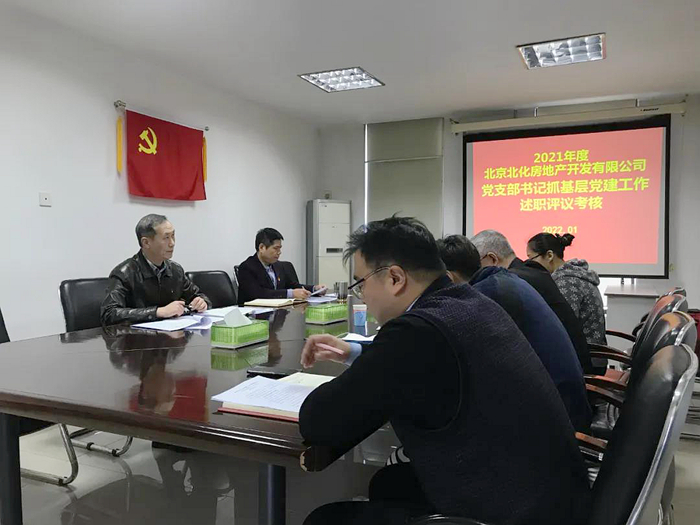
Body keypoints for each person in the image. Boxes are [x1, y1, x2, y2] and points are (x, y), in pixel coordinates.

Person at [299, 217, 590, 525]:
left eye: (361, 283)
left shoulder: (416, 331)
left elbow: (319, 422)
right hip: (554, 497)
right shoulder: (471, 301)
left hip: (509, 512)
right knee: (391, 483)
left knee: (324, 520)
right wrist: (357, 354)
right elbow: (414, 361)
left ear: (395, 278)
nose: (363, 295)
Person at [437, 235, 591, 431]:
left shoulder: (488, 294)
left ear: (448, 278)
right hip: (567, 402)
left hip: (557, 419)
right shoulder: (504, 280)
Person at [471, 229, 597, 373]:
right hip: (573, 364)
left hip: (565, 373)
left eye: (476, 265)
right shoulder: (532, 272)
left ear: (493, 259)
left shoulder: (509, 283)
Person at [101, 214, 210, 326]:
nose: (172, 243)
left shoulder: (176, 270)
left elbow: (198, 295)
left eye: (173, 236)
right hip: (135, 335)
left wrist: (202, 302)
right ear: (146, 242)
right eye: (166, 238)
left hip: (172, 333)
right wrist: (158, 312)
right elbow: (109, 314)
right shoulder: (124, 273)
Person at [527, 233, 607, 346]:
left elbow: (563, 326)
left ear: (549, 255)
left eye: (531, 259)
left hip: (586, 352)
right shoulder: (573, 275)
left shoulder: (566, 283)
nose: (529, 265)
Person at [237, 227, 325, 304]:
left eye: (280, 248)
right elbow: (258, 294)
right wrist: (291, 293)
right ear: (261, 247)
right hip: (254, 314)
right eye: (275, 248)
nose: (279, 252)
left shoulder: (278, 266)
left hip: (277, 312)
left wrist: (314, 289)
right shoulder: (246, 268)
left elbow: (292, 286)